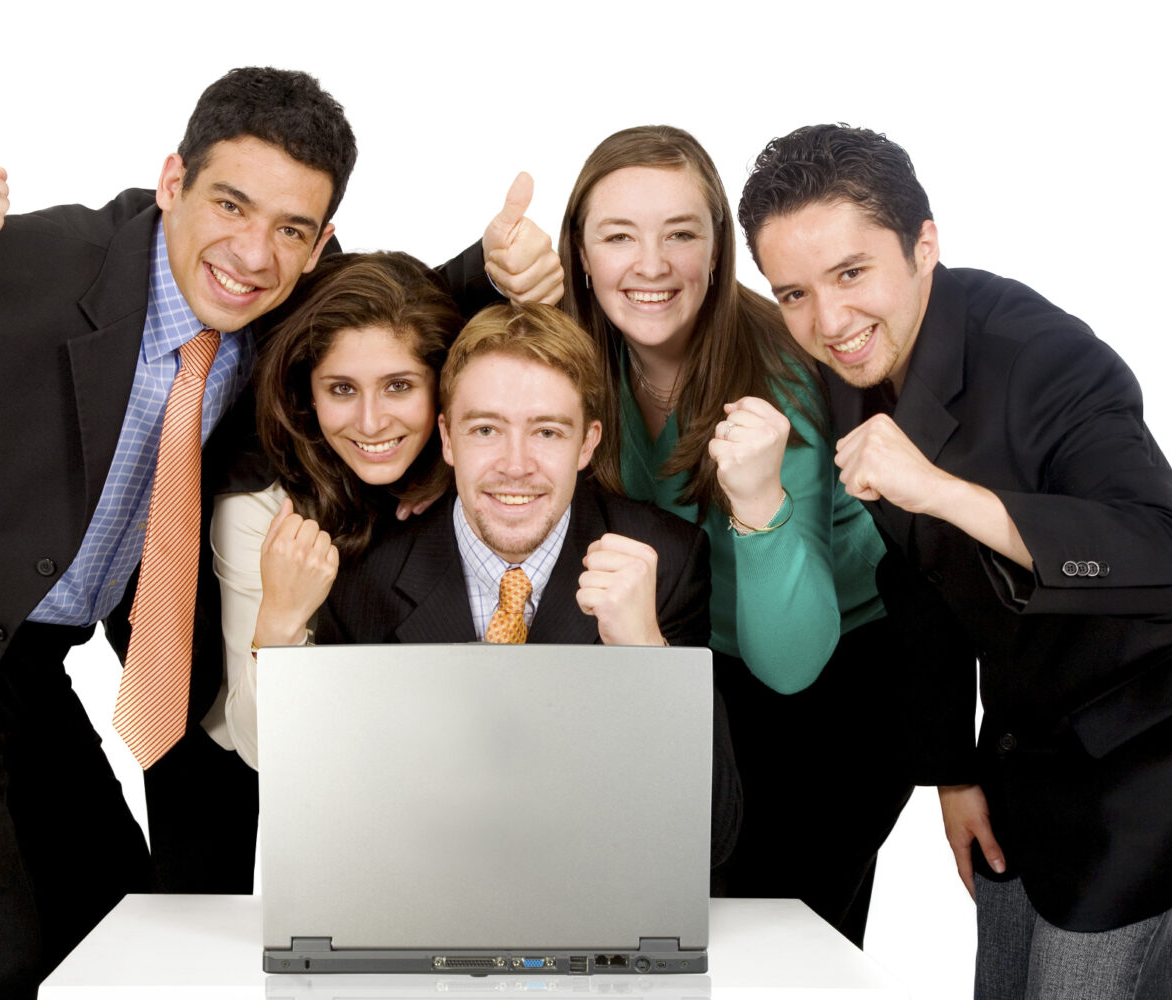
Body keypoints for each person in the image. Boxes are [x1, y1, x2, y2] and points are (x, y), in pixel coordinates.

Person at [0, 67, 561, 999]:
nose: (252, 253)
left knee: (118, 932)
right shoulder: (25, 266)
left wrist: (495, 270)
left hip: (30, 663)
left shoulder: (281, 299)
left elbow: (384, 313)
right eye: (230, 205)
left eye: (291, 230)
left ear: (319, 244)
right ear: (172, 182)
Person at [736, 123, 1172, 999]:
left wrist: (941, 490)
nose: (829, 322)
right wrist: (950, 769)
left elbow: (1170, 554)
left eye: (852, 273)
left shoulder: (1045, 356)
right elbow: (919, 579)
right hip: (1023, 739)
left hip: (1150, 742)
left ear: (924, 245)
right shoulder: (850, 363)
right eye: (794, 293)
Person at [557, 125, 911, 945]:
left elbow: (789, 664)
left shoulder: (781, 371)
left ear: (718, 249)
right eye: (619, 236)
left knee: (774, 950)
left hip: (823, 695)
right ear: (579, 252)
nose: (651, 265)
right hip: (675, 668)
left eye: (681, 234)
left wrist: (758, 503)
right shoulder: (568, 352)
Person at [315, 302, 741, 864]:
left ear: (586, 444)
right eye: (485, 429)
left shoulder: (667, 563)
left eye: (546, 431)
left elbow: (711, 838)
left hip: (592, 879)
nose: (515, 465)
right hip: (429, 882)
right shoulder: (361, 579)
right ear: (447, 438)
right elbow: (340, 823)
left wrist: (646, 657)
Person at [208, 250, 461, 769]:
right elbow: (259, 748)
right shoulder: (260, 509)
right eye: (342, 389)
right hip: (297, 768)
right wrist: (280, 620)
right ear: (309, 394)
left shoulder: (485, 474)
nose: (370, 422)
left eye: (398, 386)